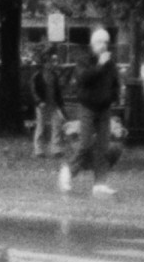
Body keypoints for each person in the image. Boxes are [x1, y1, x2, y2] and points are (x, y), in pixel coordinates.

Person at [60, 28, 121, 197]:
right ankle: (68, 171)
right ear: (93, 44)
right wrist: (100, 65)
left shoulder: (110, 62)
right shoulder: (84, 60)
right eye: (100, 42)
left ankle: (100, 184)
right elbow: (83, 78)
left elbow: (114, 80)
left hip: (104, 108)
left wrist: (115, 96)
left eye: (106, 43)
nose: (104, 46)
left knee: (103, 147)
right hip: (88, 106)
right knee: (85, 144)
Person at [30, 46, 66, 159]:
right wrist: (39, 101)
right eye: (50, 62)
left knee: (57, 125)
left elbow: (58, 91)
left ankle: (56, 149)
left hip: (53, 104)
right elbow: (33, 90)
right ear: (45, 64)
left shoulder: (54, 75)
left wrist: (60, 104)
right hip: (42, 105)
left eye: (52, 62)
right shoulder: (37, 76)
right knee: (40, 127)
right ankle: (38, 150)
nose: (52, 64)